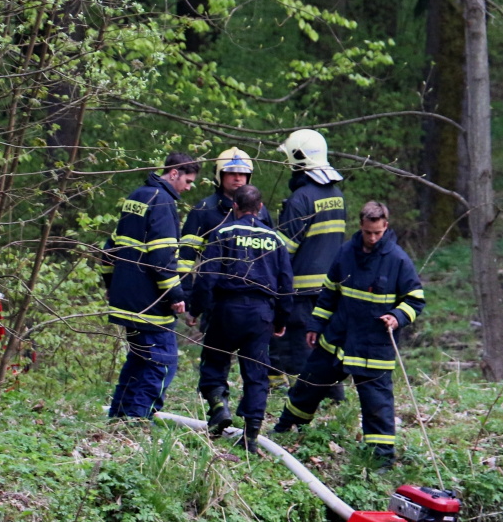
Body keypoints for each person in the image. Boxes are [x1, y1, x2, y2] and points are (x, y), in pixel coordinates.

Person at [272, 201, 425, 468]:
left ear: (386, 226)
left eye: (378, 232)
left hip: (374, 347)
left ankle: (382, 462)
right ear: (361, 227)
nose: (373, 238)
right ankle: (285, 431)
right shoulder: (346, 253)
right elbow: (329, 292)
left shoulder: (398, 260)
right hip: (337, 339)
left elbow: (415, 299)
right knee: (308, 385)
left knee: (378, 406)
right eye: (368, 232)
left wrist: (397, 316)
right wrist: (315, 325)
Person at [188, 185, 293, 454]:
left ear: (234, 207)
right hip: (260, 315)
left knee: (214, 361)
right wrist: (281, 319)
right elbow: (285, 284)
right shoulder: (275, 239)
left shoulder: (223, 233)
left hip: (227, 310)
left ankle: (218, 407)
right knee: (257, 376)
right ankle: (252, 435)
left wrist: (196, 309)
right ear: (260, 208)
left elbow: (206, 276)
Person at [102, 152, 199, 418]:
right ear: (175, 173)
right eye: (188, 181)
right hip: (149, 301)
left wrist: (111, 283)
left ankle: (120, 416)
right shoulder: (162, 201)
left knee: (138, 359)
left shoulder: (136, 196)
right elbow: (161, 256)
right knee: (162, 362)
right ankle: (137, 419)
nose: (189, 188)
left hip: (126, 296)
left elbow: (110, 248)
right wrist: (175, 294)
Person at [269, 129, 347, 394]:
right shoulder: (337, 194)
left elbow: (284, 249)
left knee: (300, 345)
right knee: (325, 342)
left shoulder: (300, 199)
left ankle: (303, 397)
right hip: (330, 287)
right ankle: (334, 392)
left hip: (301, 289)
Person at [178, 147, 271, 275]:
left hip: (255, 287)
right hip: (217, 287)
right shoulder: (204, 209)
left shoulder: (260, 211)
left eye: (243, 173)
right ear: (219, 175)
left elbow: (272, 253)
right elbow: (186, 258)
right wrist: (186, 291)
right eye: (231, 173)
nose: (238, 178)